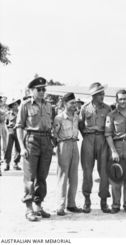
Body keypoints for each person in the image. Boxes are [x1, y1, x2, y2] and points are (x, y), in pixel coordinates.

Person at [16, 77, 54, 222]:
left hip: (46, 141)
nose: (42, 92)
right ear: (32, 90)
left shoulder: (48, 105)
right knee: (30, 177)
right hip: (32, 140)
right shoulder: (25, 105)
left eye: (44, 89)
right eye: (39, 89)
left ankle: (38, 206)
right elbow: (19, 126)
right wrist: (22, 147)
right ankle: (29, 208)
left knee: (42, 176)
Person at [78, 82, 111, 213]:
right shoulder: (85, 108)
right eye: (100, 94)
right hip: (89, 139)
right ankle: (87, 200)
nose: (103, 96)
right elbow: (80, 125)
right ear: (94, 95)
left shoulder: (108, 109)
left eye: (103, 93)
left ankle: (104, 201)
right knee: (87, 171)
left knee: (104, 172)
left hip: (103, 139)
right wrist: (87, 136)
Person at [105, 89, 126, 213]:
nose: (123, 101)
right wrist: (113, 151)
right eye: (120, 99)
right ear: (116, 100)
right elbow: (108, 134)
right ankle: (115, 205)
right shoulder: (111, 115)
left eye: (125, 99)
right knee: (116, 177)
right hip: (116, 145)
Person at [53, 92, 82, 216]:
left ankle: (71, 204)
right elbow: (54, 134)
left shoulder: (76, 117)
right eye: (72, 103)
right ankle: (60, 205)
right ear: (65, 104)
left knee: (74, 176)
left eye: (75, 102)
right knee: (63, 175)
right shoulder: (59, 118)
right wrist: (57, 148)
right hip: (63, 144)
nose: (74, 105)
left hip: (75, 144)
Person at [4, 98, 22, 171]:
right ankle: (7, 164)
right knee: (8, 148)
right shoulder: (8, 114)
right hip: (10, 132)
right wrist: (9, 125)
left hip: (19, 132)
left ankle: (16, 163)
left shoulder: (21, 113)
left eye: (16, 104)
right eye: (14, 104)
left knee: (18, 148)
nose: (16, 105)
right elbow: (5, 124)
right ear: (11, 106)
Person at [0, 96, 8, 165]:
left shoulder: (3, 108)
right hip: (1, 126)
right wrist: (4, 114)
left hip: (3, 126)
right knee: (2, 142)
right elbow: (2, 119)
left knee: (4, 141)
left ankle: (3, 156)